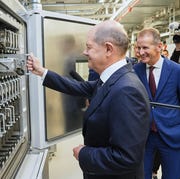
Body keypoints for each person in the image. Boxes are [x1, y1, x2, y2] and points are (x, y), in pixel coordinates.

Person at [27, 20, 150, 179]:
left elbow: (127, 157)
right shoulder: (112, 79)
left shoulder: (126, 90)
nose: (85, 52)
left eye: (89, 47)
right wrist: (42, 72)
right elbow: (77, 87)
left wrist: (84, 153)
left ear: (108, 49)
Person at [133, 27, 180, 179]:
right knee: (141, 175)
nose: (140, 52)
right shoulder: (134, 71)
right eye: (138, 47)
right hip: (144, 136)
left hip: (172, 135)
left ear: (160, 46)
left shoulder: (176, 70)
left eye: (145, 47)